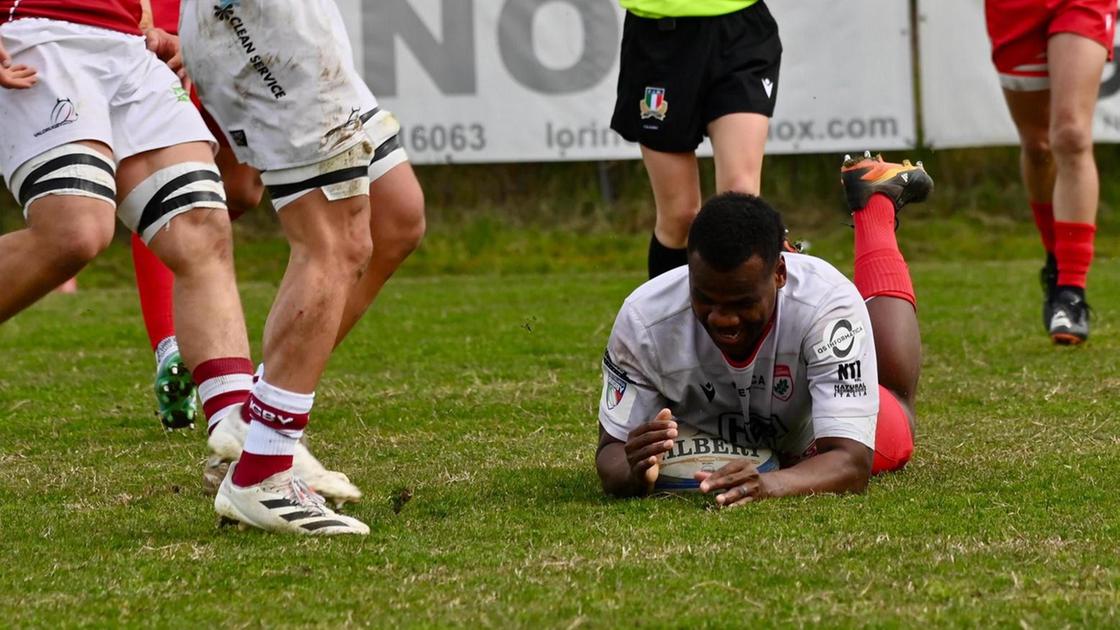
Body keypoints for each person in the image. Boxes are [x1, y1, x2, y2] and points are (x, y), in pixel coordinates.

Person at [0, 0, 366, 535]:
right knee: (76, 230)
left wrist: (153, 21)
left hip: (129, 43)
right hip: (38, 31)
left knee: (200, 226)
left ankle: (250, 459)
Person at [179, 0, 424, 534]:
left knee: (395, 217)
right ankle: (262, 473)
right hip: (266, 23)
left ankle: (253, 422)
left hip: (294, 23)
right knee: (333, 243)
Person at [595, 154, 928, 504]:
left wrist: (769, 484)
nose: (723, 318)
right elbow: (611, 451)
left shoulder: (827, 304)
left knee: (897, 405)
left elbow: (851, 462)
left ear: (779, 275)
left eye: (742, 302)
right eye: (706, 298)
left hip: (810, 438)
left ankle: (875, 205)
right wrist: (633, 469)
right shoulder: (644, 318)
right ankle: (764, 264)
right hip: (735, 421)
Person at [130, 0, 265, 431]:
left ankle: (194, 290)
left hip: (228, 31)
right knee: (171, 195)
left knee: (244, 189)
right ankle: (172, 347)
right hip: (164, 35)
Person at [610, 0, 780, 279]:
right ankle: (671, 322)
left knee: (739, 202)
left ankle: (739, 320)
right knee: (680, 217)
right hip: (658, 36)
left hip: (740, 30)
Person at [984, 0, 1113, 344]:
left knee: (1071, 135)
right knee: (1038, 145)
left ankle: (1071, 292)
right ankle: (1057, 259)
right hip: (1014, 9)